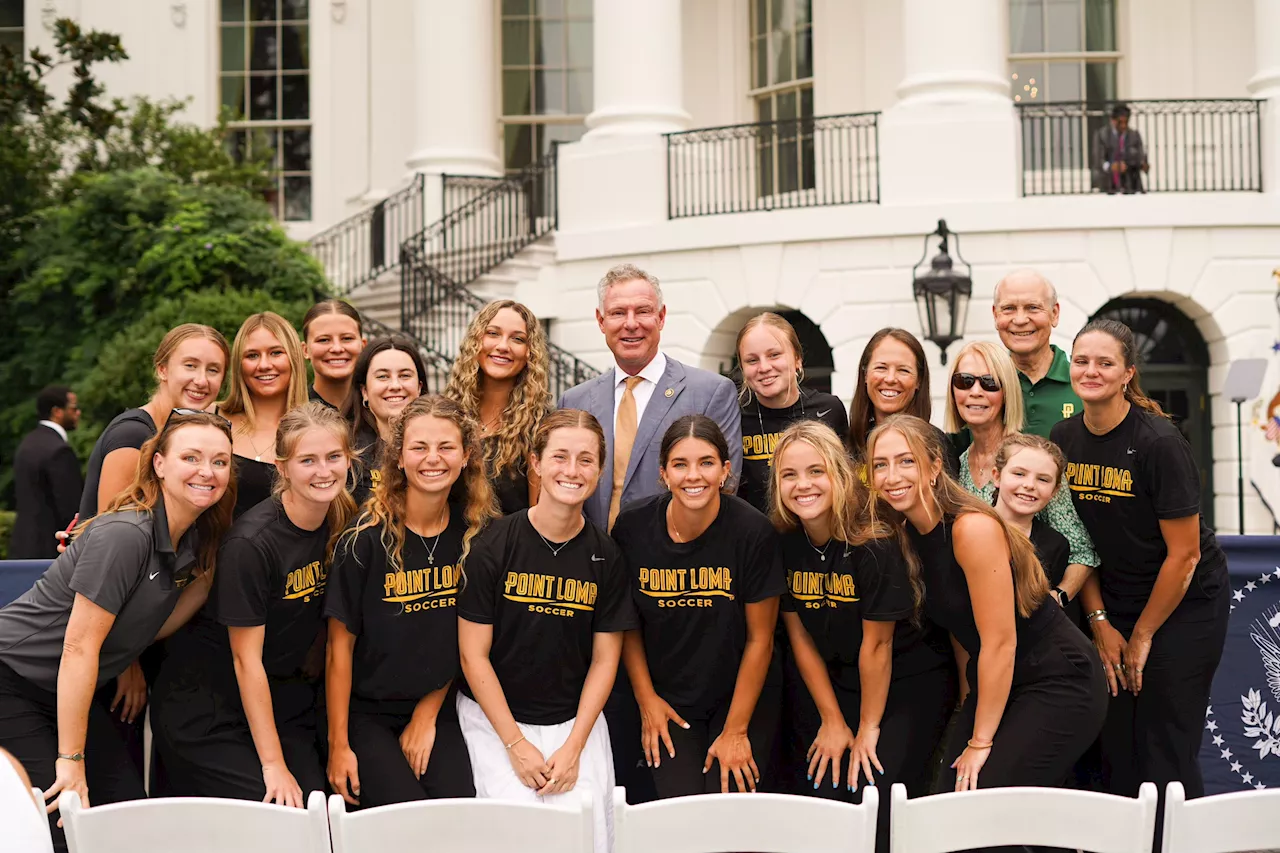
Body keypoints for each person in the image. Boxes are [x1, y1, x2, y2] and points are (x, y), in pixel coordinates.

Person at [0, 411, 235, 849]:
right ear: (159, 464)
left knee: (125, 814)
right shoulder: (125, 533)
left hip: (62, 691)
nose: (207, 471)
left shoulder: (195, 539)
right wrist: (70, 762)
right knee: (68, 818)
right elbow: (79, 648)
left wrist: (209, 575)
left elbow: (155, 624)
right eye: (192, 457)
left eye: (220, 461)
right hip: (12, 678)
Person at [869, 414, 1106, 791]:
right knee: (946, 800)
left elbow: (1000, 642)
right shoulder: (907, 535)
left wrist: (980, 742)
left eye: (906, 460)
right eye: (880, 465)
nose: (892, 475)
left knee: (981, 800)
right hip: (1000, 681)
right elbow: (965, 635)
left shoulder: (970, 528)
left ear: (933, 467)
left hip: (1058, 679)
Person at [1051, 319, 1230, 813]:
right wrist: (1100, 621)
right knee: (1112, 737)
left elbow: (1186, 555)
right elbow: (1078, 544)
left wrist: (1144, 634)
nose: (1091, 371)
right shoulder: (1064, 436)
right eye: (1082, 360)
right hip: (1113, 599)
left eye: (1105, 363)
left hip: (1184, 602)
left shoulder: (1159, 443)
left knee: (1164, 738)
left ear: (1127, 373)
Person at [152, 402, 355, 806]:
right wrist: (273, 765)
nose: (323, 471)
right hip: (208, 712)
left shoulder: (339, 516)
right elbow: (247, 662)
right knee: (285, 819)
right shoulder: (252, 544)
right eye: (307, 460)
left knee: (324, 814)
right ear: (281, 467)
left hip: (280, 704)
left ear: (350, 459)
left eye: (334, 457)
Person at [457, 409, 635, 853]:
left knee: (588, 836)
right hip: (497, 719)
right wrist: (515, 744)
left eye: (585, 460)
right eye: (559, 457)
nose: (571, 471)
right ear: (535, 462)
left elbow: (605, 659)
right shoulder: (494, 545)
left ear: (599, 469)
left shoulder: (606, 556)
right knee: (513, 838)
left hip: (574, 722)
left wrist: (575, 747)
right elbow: (472, 655)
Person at [770, 421, 952, 853]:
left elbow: (879, 645)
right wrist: (833, 720)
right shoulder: (782, 540)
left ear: (840, 473)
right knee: (825, 794)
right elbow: (800, 637)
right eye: (789, 475)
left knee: (873, 788)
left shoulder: (874, 540)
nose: (803, 485)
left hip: (906, 681)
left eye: (816, 471)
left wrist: (867, 728)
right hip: (835, 683)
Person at [326, 396, 497, 807]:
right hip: (366, 714)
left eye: (446, 447)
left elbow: (472, 639)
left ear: (466, 456)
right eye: (419, 447)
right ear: (399, 458)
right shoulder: (363, 541)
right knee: (403, 817)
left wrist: (428, 711)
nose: (432, 459)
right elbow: (338, 651)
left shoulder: (477, 535)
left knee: (460, 808)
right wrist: (339, 744)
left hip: (438, 701)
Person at [612, 415, 785, 798]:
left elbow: (761, 640)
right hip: (669, 699)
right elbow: (627, 625)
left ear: (725, 470)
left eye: (706, 463)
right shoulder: (633, 527)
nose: (694, 475)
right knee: (682, 811)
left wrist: (737, 730)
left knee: (730, 805)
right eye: (680, 464)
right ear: (663, 474)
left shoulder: (753, 532)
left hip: (740, 694)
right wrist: (647, 702)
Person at [558, 264, 742, 531]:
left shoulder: (711, 393)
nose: (631, 324)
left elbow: (726, 487)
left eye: (642, 311)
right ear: (601, 321)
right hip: (594, 562)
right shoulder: (574, 402)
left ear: (661, 317)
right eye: (618, 313)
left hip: (673, 563)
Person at [944, 340, 1098, 608]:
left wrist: (1058, 598)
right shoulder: (958, 462)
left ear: (1007, 392)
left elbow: (1082, 551)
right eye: (964, 381)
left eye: (989, 383)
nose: (975, 392)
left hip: (1033, 616)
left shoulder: (1032, 460)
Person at [78, 323, 229, 524]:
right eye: (190, 365)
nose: (201, 380)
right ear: (162, 370)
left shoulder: (190, 433)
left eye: (213, 370)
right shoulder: (132, 436)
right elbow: (109, 534)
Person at [443, 300, 550, 514]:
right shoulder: (446, 415)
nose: (503, 346)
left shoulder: (541, 428)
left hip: (511, 546)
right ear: (476, 341)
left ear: (530, 352)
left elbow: (539, 518)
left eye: (517, 339)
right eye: (493, 333)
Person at [735, 312, 847, 513]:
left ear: (797, 358)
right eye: (752, 360)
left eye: (774, 355)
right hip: (759, 540)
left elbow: (845, 481)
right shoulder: (734, 417)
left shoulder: (830, 410)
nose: (764, 367)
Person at [219, 312, 310, 519]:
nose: (264, 365)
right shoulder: (211, 419)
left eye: (276, 353)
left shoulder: (313, 429)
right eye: (252, 355)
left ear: (294, 357)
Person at [989, 433, 1079, 627]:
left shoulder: (1055, 544)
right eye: (1019, 474)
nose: (1029, 485)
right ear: (996, 476)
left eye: (1043, 479)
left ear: (1055, 491)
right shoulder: (968, 529)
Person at [847, 328, 958, 477]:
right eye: (881, 367)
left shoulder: (937, 445)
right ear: (865, 374)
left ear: (918, 380)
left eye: (903, 370)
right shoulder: (847, 444)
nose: (890, 378)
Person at [992, 270, 1082, 437]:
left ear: (1054, 314)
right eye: (1009, 308)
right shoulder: (982, 385)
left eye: (1032, 308)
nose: (1020, 320)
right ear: (995, 315)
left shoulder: (1085, 382)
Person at [343, 335, 428, 505]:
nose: (395, 385)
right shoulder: (345, 450)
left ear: (419, 387)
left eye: (405, 375)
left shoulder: (441, 445)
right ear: (364, 391)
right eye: (382, 376)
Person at [10, 386, 82, 559]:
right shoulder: (59, 451)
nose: (78, 413)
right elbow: (71, 510)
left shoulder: (27, 445)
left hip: (21, 546)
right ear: (57, 411)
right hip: (51, 551)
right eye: (73, 408)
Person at [302, 299, 366, 410]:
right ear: (305, 350)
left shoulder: (381, 409)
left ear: (363, 346)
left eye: (347, 338)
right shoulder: (292, 411)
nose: (337, 348)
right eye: (323, 340)